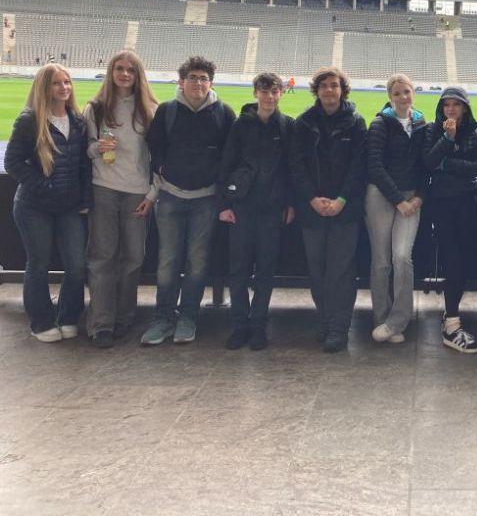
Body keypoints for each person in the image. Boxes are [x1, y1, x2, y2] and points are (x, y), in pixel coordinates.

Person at [141, 56, 236, 345]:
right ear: (182, 81)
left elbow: (230, 155)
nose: (198, 83)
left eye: (204, 78)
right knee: (168, 262)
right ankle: (163, 317)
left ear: (211, 82)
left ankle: (188, 317)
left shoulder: (224, 113)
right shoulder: (168, 111)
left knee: (197, 263)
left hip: (205, 200)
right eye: (193, 77)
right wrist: (162, 169)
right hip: (170, 196)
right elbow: (155, 146)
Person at [5, 64, 92, 342]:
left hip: (68, 207)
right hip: (34, 207)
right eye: (57, 83)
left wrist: (84, 198)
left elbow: (82, 165)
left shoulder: (77, 120)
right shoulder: (29, 120)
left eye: (67, 82)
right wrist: (45, 187)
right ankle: (41, 321)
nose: (64, 88)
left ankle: (68, 316)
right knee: (39, 264)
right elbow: (13, 162)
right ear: (44, 87)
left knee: (77, 265)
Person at [84, 51, 158, 348]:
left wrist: (152, 194)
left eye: (130, 70)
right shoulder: (96, 109)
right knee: (102, 258)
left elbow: (156, 157)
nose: (125, 74)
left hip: (137, 191)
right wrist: (97, 148)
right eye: (119, 68)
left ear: (138, 75)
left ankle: (124, 316)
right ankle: (101, 323)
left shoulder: (149, 110)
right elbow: (85, 149)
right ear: (111, 71)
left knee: (133, 257)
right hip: (103, 187)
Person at [289, 66, 367, 353]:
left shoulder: (356, 123)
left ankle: (339, 327)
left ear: (342, 90)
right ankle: (325, 320)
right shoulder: (304, 123)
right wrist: (312, 199)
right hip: (312, 210)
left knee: (341, 271)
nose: (329, 90)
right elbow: (296, 166)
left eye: (334, 85)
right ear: (317, 90)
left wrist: (341, 201)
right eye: (324, 86)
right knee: (318, 270)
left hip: (344, 211)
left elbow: (359, 167)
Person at [217, 72, 295, 351]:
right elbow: (226, 165)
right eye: (264, 92)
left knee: (265, 270)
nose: (269, 97)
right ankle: (239, 325)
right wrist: (224, 205)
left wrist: (290, 204)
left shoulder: (287, 125)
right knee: (237, 269)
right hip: (242, 207)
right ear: (255, 93)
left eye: (274, 92)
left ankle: (258, 325)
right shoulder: (240, 126)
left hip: (272, 209)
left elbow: (291, 170)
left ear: (281, 94)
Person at [422, 87, 477, 353]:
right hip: (442, 204)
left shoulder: (476, 132)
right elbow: (427, 162)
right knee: (452, 259)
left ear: (464, 108)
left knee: (464, 258)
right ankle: (452, 322)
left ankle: (452, 314)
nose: (451, 110)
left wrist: (446, 164)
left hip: (466, 203)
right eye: (447, 105)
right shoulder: (433, 129)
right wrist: (448, 140)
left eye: (456, 105)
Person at [366, 74, 427, 344]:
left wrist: (419, 198)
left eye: (407, 92)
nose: (403, 97)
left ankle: (397, 321)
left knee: (402, 257)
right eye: (398, 93)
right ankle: (381, 318)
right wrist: (397, 200)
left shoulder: (422, 124)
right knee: (381, 261)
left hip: (411, 198)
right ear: (390, 97)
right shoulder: (380, 123)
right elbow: (374, 165)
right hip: (381, 196)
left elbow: (427, 165)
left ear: (413, 93)